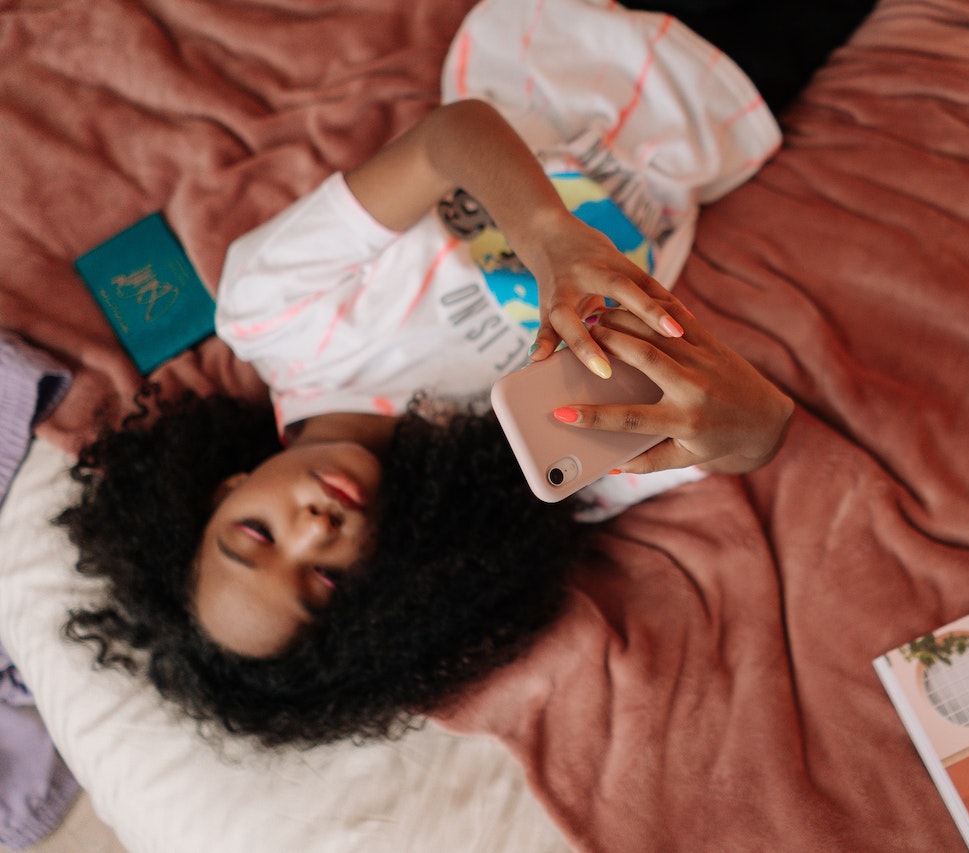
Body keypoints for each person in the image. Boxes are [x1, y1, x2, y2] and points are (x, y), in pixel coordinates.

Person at [57, 0, 875, 747]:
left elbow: (450, 138)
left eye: (256, 535)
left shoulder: (271, 311)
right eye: (326, 579)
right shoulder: (527, 482)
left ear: (222, 487)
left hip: (566, 40)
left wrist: (551, 238)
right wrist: (753, 428)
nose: (312, 528)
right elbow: (736, 427)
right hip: (718, 110)